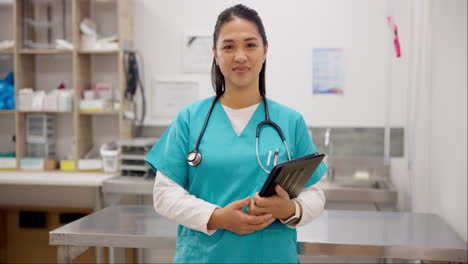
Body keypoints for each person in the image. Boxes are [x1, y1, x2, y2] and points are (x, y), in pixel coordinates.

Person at [145, 4, 327, 263]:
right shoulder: (190, 119)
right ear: (216, 55)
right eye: (228, 46)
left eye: (250, 45)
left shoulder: (290, 122)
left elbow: (315, 194)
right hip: (204, 257)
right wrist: (217, 217)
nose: (240, 56)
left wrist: (290, 209)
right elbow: (164, 194)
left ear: (265, 50)